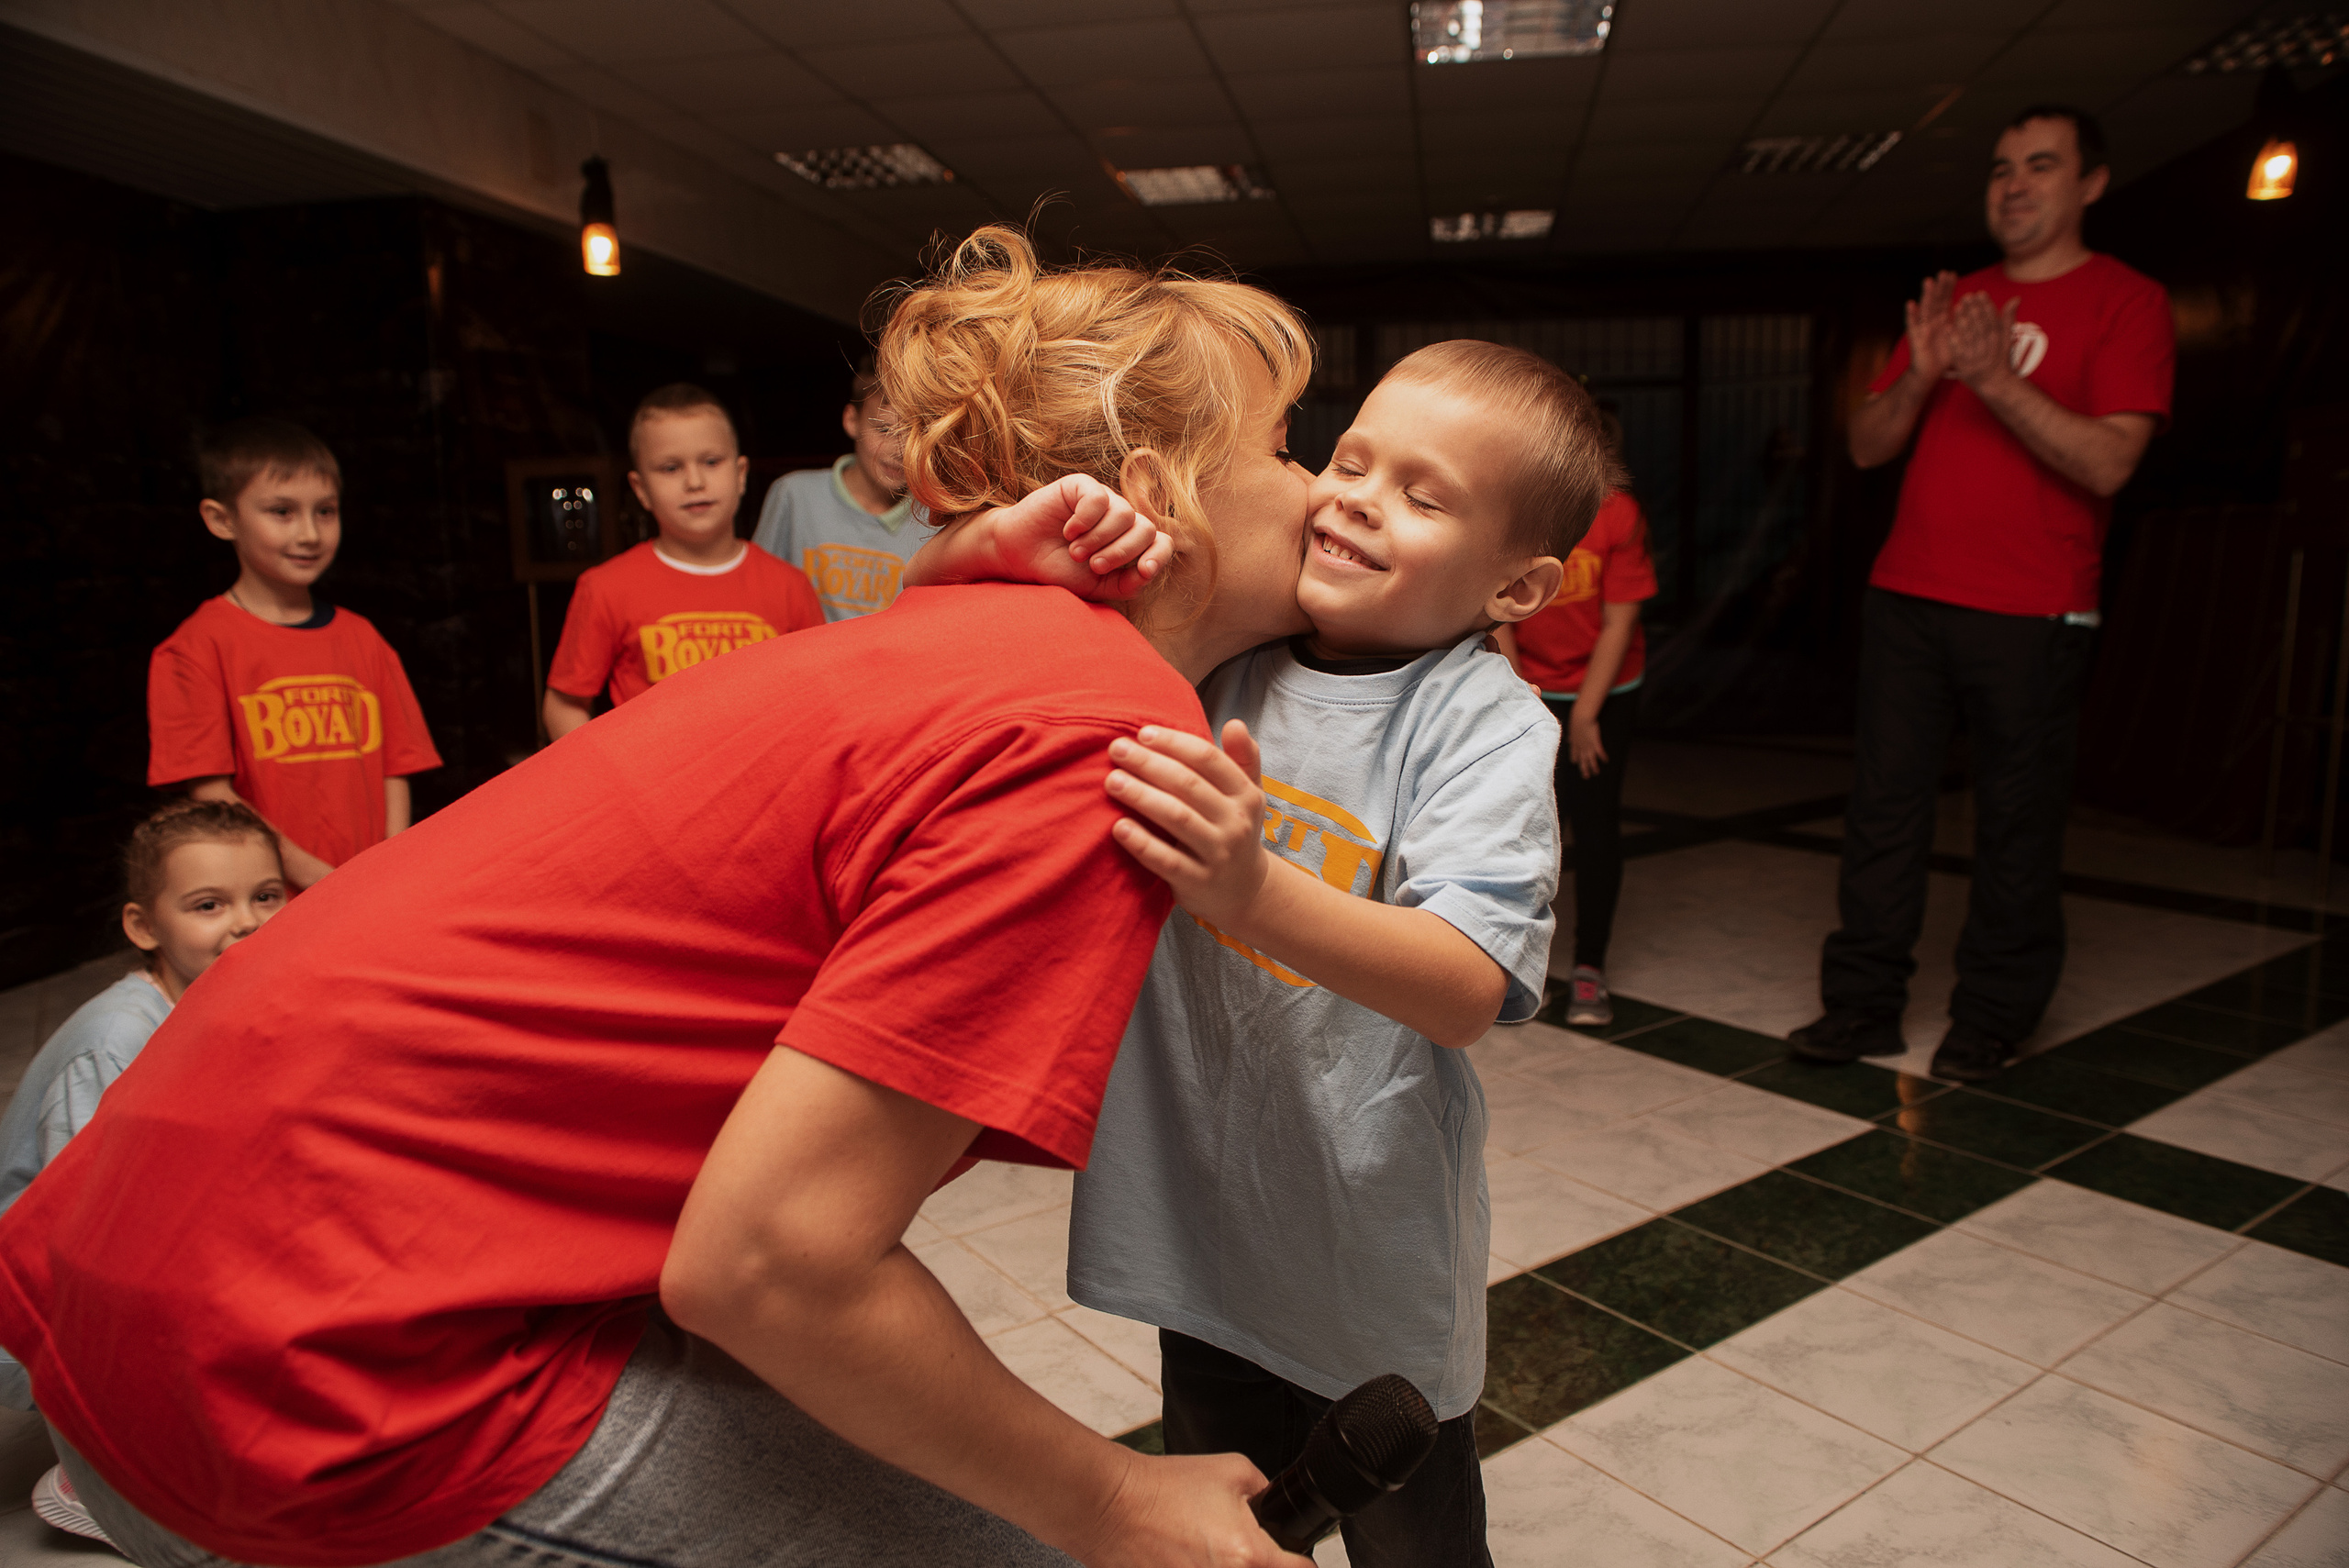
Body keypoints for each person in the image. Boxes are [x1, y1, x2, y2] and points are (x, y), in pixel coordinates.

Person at [0, 227, 1319, 1568]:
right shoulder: (1095, 724)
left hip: (139, 1284)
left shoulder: (938, 638)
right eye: (1289, 442)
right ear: (1167, 493)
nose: (1320, 486)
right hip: (285, 1376)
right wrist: (1109, 1500)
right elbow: (772, 1268)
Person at [926, 340, 1614, 1565]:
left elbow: (1466, 984)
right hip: (1202, 1227)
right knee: (1232, 1533)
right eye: (1347, 458)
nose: (1354, 494)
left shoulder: (1479, 717)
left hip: (1364, 1247)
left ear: (1517, 586)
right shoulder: (1227, 646)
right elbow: (976, 676)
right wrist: (974, 551)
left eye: (1422, 491)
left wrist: (1254, 890)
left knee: (1417, 1547)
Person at [1791, 106, 2174, 1083]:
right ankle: (1862, 1006)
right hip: (1907, 595)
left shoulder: (2126, 302)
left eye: (2040, 166)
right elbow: (1868, 444)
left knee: (2014, 821)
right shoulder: (1955, 301)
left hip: (2036, 609)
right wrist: (1923, 376)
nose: (2013, 185)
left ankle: (1990, 1017)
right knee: (1883, 810)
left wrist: (1997, 380)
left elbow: (2110, 463)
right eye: (2001, 168)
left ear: (2089, 183)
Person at [0, 800, 285, 1542]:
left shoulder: (234, 997)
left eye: (267, 895)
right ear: (143, 926)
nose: (248, 922)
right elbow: (86, 1240)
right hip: (42, 1305)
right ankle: (102, 1478)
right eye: (207, 904)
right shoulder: (116, 1042)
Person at [148, 417, 441, 887]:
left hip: (367, 889)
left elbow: (396, 770)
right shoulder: (194, 648)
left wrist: (383, 870)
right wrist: (324, 881)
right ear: (222, 520)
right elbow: (212, 794)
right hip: (265, 901)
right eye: (282, 512)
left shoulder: (364, 639)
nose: (309, 533)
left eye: (325, 511)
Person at [542, 384, 824, 740]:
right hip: (651, 790)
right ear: (641, 488)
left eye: (711, 462)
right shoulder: (605, 587)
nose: (695, 482)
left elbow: (816, 700)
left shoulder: (789, 586)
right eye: (671, 468)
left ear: (740, 475)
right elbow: (564, 704)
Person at [1497, 406, 1656, 1029]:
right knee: (1524, 824)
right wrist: (1515, 693)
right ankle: (1509, 965)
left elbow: (1621, 621)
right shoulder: (1518, 507)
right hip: (1529, 678)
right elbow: (1502, 609)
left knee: (1594, 824)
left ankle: (1589, 968)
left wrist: (1586, 715)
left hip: (1604, 689)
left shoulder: (1619, 514)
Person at [751, 355, 934, 620]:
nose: (900, 450)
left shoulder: (934, 519)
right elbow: (757, 596)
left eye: (916, 434)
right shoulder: (794, 496)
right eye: (884, 430)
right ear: (851, 421)